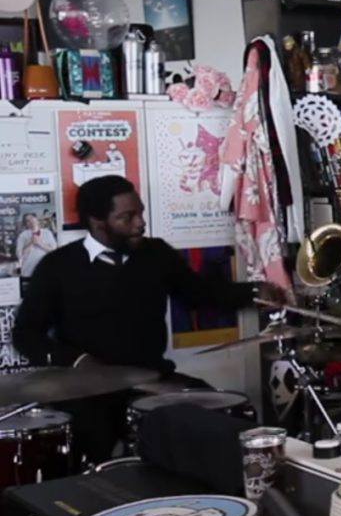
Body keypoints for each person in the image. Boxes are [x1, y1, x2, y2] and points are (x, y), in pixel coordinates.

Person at [14, 175, 280, 463]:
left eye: (140, 212)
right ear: (97, 221)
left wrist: (256, 291)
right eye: (126, 217)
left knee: (219, 419)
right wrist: (79, 361)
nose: (140, 223)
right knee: (90, 453)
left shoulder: (157, 254)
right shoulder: (58, 266)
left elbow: (200, 294)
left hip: (152, 380)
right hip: (88, 392)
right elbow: (26, 335)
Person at [15, 212, 57, 278]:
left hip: (46, 270)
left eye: (32, 218)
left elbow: (54, 251)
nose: (31, 221)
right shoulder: (22, 235)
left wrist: (40, 243)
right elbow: (19, 255)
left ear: (37, 220)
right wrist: (31, 243)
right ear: (26, 224)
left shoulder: (47, 233)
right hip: (28, 272)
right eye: (28, 221)